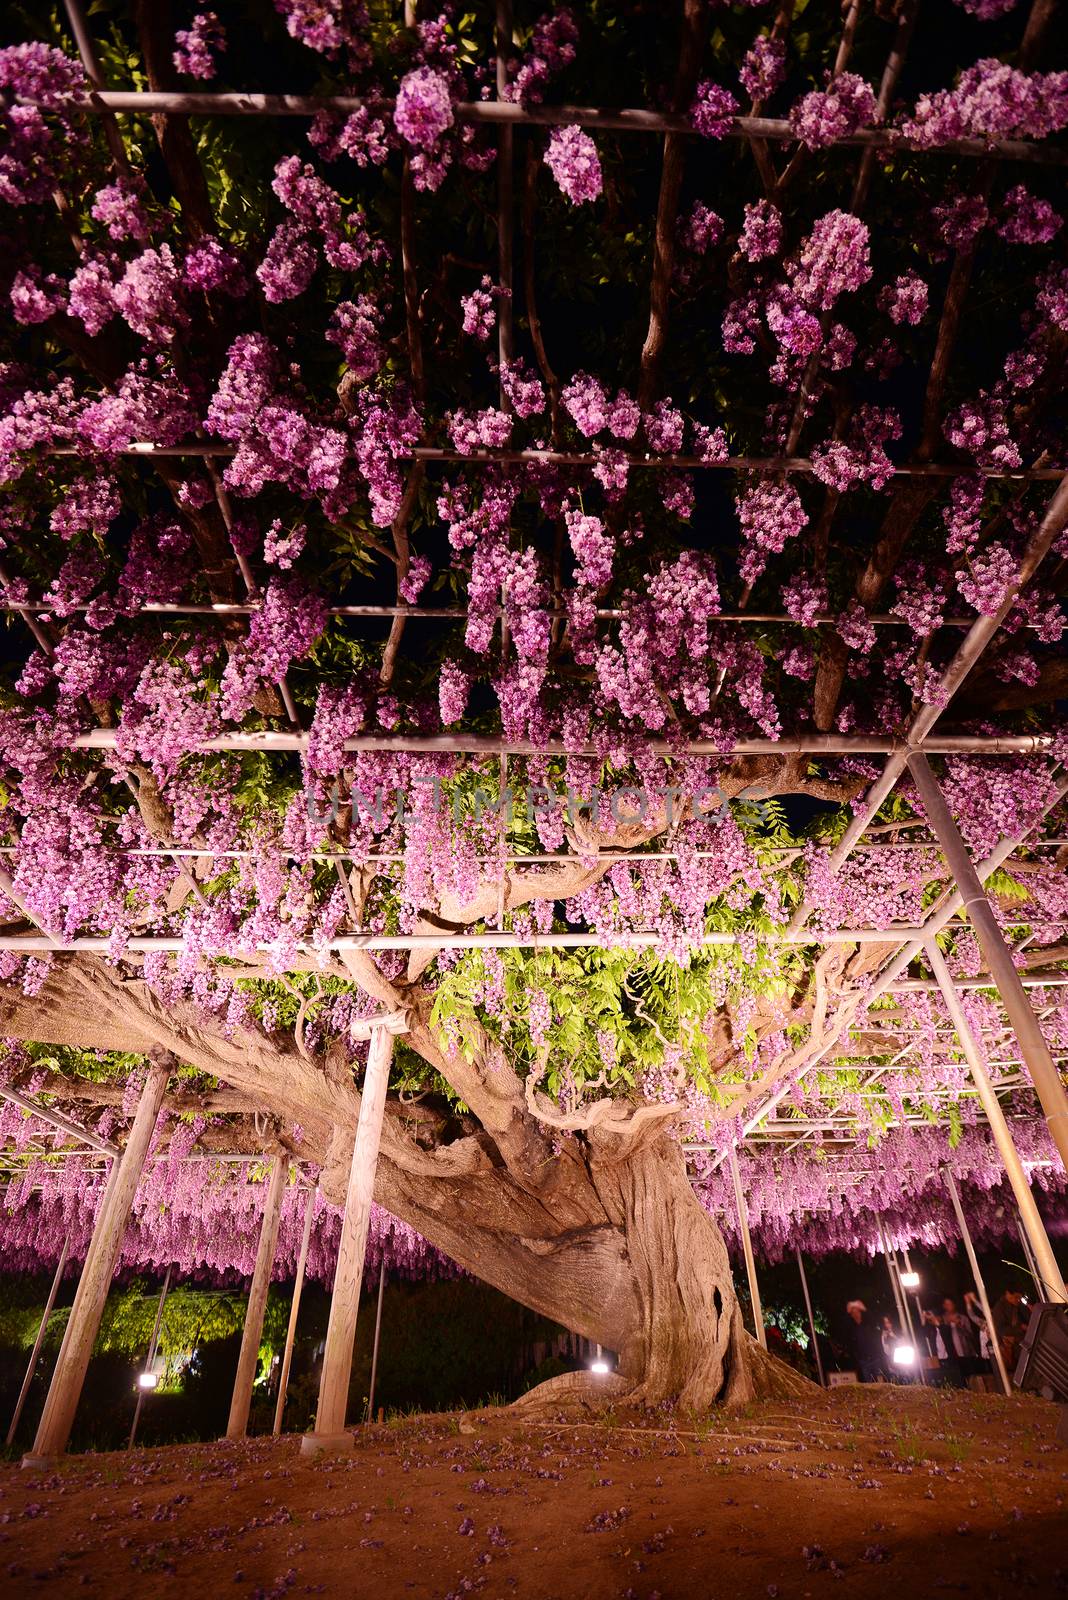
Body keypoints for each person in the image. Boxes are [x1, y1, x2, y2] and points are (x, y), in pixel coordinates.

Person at [844, 1300, 886, 1382]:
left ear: (860, 1312)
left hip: (875, 1357)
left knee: (880, 1380)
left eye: (856, 1311)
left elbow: (873, 1319)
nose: (855, 1314)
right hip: (863, 1360)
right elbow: (845, 1326)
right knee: (868, 1382)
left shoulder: (868, 1323)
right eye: (853, 1313)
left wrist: (863, 1308)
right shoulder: (852, 1327)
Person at [992, 1289, 1029, 1378]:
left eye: (1019, 1298)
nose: (1018, 1300)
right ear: (1008, 1293)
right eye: (1016, 1297)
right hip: (1012, 1347)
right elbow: (1001, 1330)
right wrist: (1021, 1327)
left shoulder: (1019, 1306)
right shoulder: (1000, 1308)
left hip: (1023, 1343)